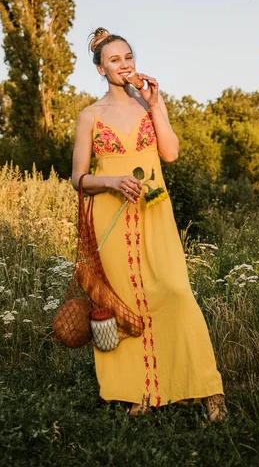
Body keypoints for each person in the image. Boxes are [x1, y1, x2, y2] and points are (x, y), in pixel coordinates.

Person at [71, 27, 227, 420]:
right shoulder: (89, 116)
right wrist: (110, 181)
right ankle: (140, 391)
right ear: (100, 69)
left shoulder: (149, 103)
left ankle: (208, 389)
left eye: (128, 57)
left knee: (175, 292)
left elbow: (170, 154)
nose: (124, 65)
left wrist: (156, 105)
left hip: (154, 210)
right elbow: (78, 178)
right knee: (127, 305)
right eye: (114, 60)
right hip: (111, 213)